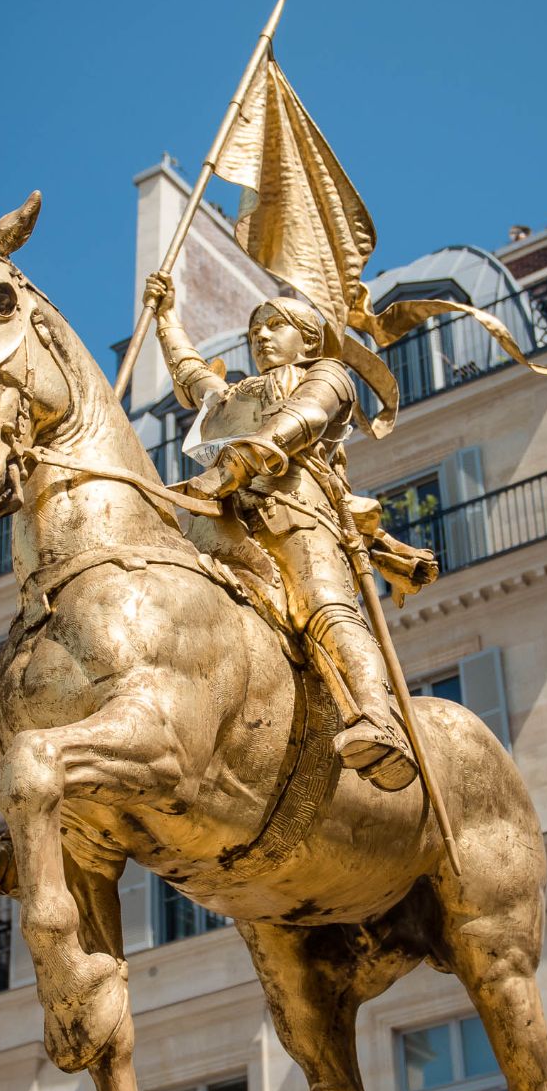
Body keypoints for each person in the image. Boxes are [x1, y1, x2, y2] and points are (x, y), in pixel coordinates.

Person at [144, 271, 418, 792]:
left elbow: (302, 419)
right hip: (219, 522)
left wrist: (235, 464)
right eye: (255, 332)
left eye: (276, 325)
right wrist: (165, 316)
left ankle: (379, 719)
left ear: (307, 338)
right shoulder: (237, 396)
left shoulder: (328, 375)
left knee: (323, 606)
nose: (262, 337)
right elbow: (191, 375)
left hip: (296, 513)